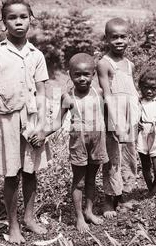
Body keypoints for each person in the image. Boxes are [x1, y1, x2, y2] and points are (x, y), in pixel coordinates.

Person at [0, 0, 50, 244]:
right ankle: (13, 227)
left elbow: (43, 91)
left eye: (23, 17)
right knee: (11, 174)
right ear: (4, 22)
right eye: (12, 17)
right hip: (6, 120)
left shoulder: (36, 55)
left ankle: (29, 218)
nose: (18, 22)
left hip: (31, 119)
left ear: (30, 20)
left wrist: (42, 126)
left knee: (31, 171)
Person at [36, 53, 108, 232]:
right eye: (77, 74)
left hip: (98, 140)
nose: (82, 78)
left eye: (86, 74)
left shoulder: (99, 93)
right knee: (79, 181)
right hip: (79, 143)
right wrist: (44, 133)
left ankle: (89, 211)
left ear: (93, 75)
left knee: (92, 179)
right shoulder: (67, 97)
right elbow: (59, 121)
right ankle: (79, 217)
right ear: (70, 74)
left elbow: (109, 114)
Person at [96, 17, 140, 218]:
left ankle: (125, 196)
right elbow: (107, 94)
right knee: (113, 158)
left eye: (123, 37)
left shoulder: (129, 64)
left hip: (131, 118)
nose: (119, 41)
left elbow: (132, 93)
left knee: (129, 157)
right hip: (114, 117)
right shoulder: (104, 64)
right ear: (107, 38)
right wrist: (113, 123)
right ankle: (108, 198)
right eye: (115, 37)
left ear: (129, 38)